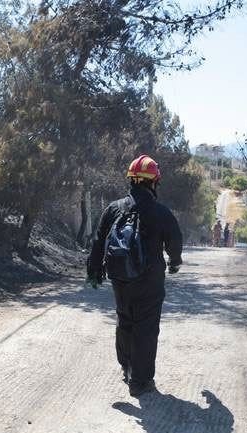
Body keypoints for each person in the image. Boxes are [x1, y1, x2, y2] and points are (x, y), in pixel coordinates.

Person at [86, 154, 183, 397]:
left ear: (131, 180)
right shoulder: (160, 212)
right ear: (153, 182)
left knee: (124, 320)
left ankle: (126, 366)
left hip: (120, 278)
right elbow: (175, 241)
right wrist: (174, 262)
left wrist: (94, 271)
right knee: (146, 328)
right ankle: (140, 382)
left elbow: (98, 241)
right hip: (150, 281)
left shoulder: (113, 209)